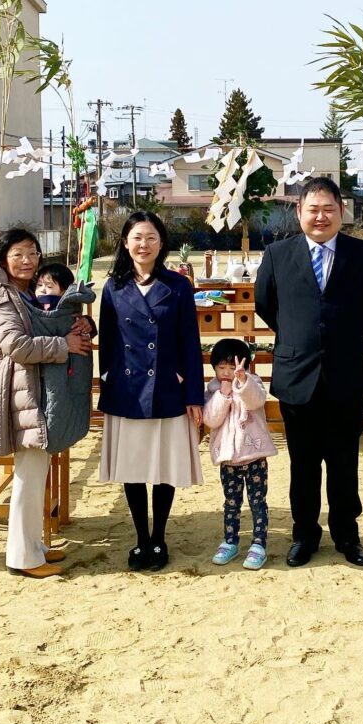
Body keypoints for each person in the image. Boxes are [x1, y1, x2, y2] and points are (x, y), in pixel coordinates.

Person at [255, 177, 363, 568]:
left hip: (345, 374)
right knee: (303, 463)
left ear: (341, 213)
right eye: (312, 209)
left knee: (345, 461)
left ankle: (348, 534)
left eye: (328, 209)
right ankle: (304, 535)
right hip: (298, 376)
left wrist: (341, 338)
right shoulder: (278, 254)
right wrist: (300, 335)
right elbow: (267, 305)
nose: (321, 216)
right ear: (299, 213)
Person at [0, 229, 93, 579]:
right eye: (19, 253)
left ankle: (34, 546)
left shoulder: (29, 291)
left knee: (37, 472)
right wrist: (64, 344)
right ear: (3, 257)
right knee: (29, 473)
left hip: (39, 389)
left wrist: (82, 325)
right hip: (22, 390)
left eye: (33, 253)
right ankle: (22, 557)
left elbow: (57, 323)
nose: (27, 260)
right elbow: (16, 345)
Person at [98, 211, 205, 572]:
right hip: (128, 390)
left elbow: (191, 342)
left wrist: (193, 394)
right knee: (132, 467)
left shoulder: (178, 285)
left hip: (166, 388)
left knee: (162, 467)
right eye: (137, 238)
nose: (143, 245)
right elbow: (108, 340)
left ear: (162, 243)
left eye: (151, 238)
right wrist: (108, 382)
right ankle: (140, 537)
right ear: (125, 243)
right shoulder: (113, 286)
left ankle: (159, 537)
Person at [203, 338, 277, 571]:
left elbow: (255, 401)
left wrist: (242, 381)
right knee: (231, 503)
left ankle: (258, 544)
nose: (227, 373)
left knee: (258, 502)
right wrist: (223, 395)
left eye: (232, 367)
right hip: (229, 458)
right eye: (221, 368)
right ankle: (230, 541)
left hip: (254, 456)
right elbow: (211, 419)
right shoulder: (213, 389)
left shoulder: (253, 383)